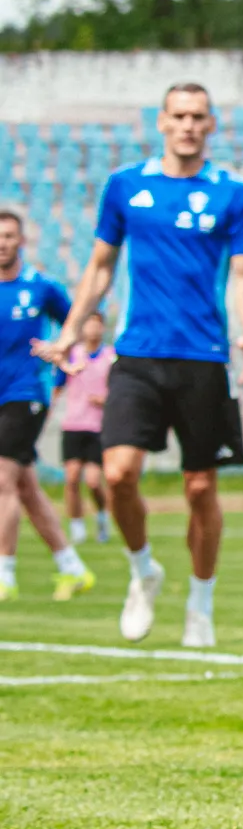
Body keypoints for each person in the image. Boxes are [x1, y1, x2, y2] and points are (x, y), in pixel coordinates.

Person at [37, 83, 243, 649]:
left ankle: (201, 604)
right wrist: (70, 332)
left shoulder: (232, 193)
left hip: (203, 359)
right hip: (137, 355)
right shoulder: (125, 186)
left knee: (200, 488)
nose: (188, 125)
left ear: (211, 125)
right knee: (116, 475)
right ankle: (143, 571)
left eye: (198, 116)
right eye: (178, 115)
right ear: (161, 121)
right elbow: (100, 267)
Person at [0, 211, 91, 602]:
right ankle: (73, 568)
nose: (2, 242)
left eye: (9, 235)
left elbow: (74, 325)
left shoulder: (40, 287)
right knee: (26, 487)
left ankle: (4, 574)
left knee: (1, 480)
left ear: (21, 241)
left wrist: (65, 360)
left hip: (25, 393)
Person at [55, 311, 115, 551]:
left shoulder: (111, 357)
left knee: (93, 481)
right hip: (73, 424)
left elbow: (120, 390)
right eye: (88, 324)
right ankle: (77, 526)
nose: (92, 329)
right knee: (71, 478)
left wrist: (106, 400)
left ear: (103, 328)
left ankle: (102, 517)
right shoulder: (73, 355)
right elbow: (58, 384)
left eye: (96, 325)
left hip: (98, 426)